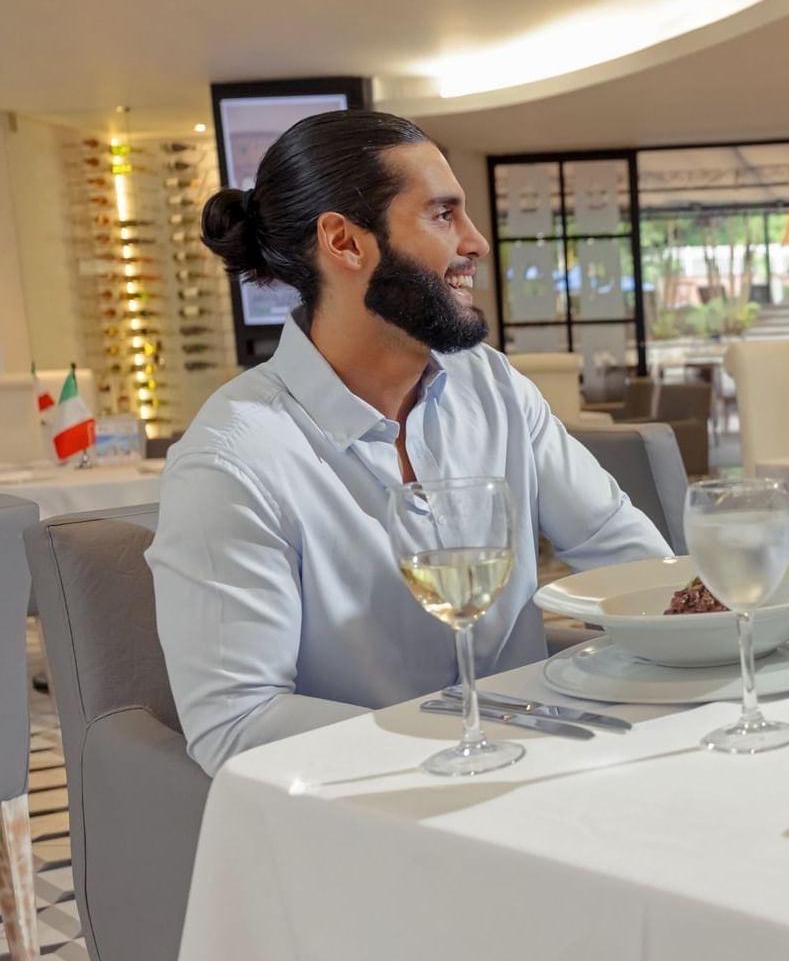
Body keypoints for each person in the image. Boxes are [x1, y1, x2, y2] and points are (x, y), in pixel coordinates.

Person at [147, 110, 670, 773]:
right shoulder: (232, 462)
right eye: (443, 216)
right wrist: (460, 740)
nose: (476, 242)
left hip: (542, 776)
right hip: (368, 819)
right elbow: (237, 724)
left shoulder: (494, 388)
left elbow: (631, 562)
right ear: (343, 241)